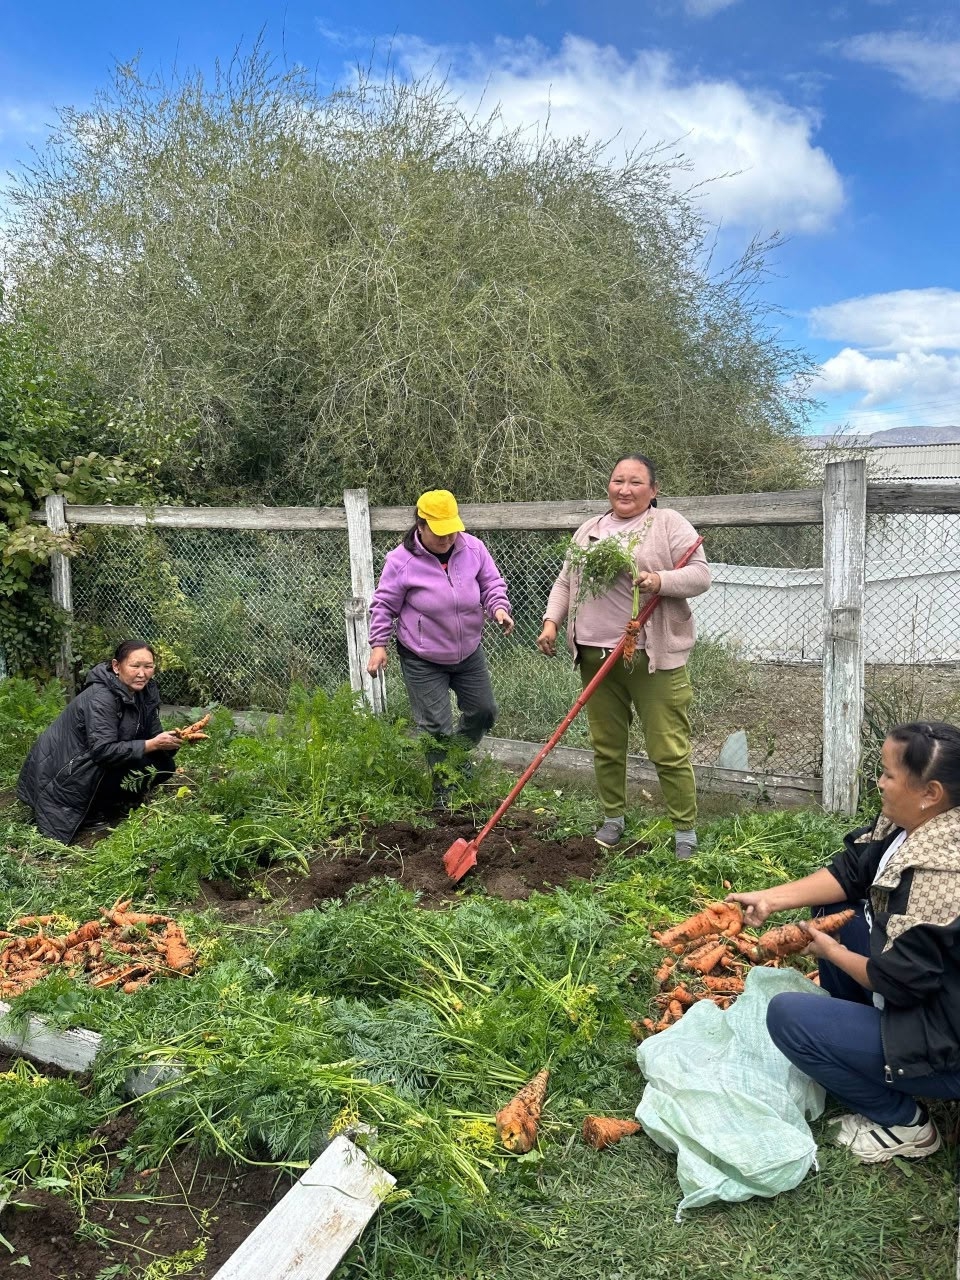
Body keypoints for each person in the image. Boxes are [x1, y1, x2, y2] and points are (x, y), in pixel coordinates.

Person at [728, 721, 960, 1164]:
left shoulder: (941, 876)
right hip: (929, 994)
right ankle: (856, 1042)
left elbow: (902, 981)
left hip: (945, 1039)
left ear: (930, 792)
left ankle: (905, 1123)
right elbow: (853, 872)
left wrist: (832, 953)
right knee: (836, 912)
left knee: (788, 1018)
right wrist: (770, 899)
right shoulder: (913, 822)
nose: (879, 782)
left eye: (888, 774)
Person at [536, 454, 710, 857]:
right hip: (594, 655)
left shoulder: (667, 523)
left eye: (635, 482)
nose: (625, 489)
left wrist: (659, 580)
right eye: (618, 481)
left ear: (654, 490)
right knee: (607, 743)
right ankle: (613, 818)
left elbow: (700, 575)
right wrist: (551, 622)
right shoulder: (589, 530)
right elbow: (565, 582)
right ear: (608, 485)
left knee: (667, 747)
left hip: (650, 656)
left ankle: (685, 831)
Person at [367, 490, 514, 804]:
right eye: (440, 532)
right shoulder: (401, 561)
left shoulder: (473, 548)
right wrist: (379, 644)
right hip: (422, 657)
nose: (448, 538)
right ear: (420, 526)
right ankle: (444, 794)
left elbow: (491, 584)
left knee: (484, 711)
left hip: (468, 651)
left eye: (452, 530)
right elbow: (384, 605)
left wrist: (499, 608)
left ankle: (456, 760)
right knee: (436, 727)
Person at [17, 640, 182, 844]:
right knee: (138, 759)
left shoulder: (145, 692)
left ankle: (117, 801)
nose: (142, 673)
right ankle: (94, 810)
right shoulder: (102, 697)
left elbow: (154, 734)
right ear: (116, 666)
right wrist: (153, 744)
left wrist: (172, 741)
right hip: (66, 772)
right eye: (135, 666)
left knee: (164, 765)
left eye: (148, 666)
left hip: (97, 759)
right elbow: (103, 751)